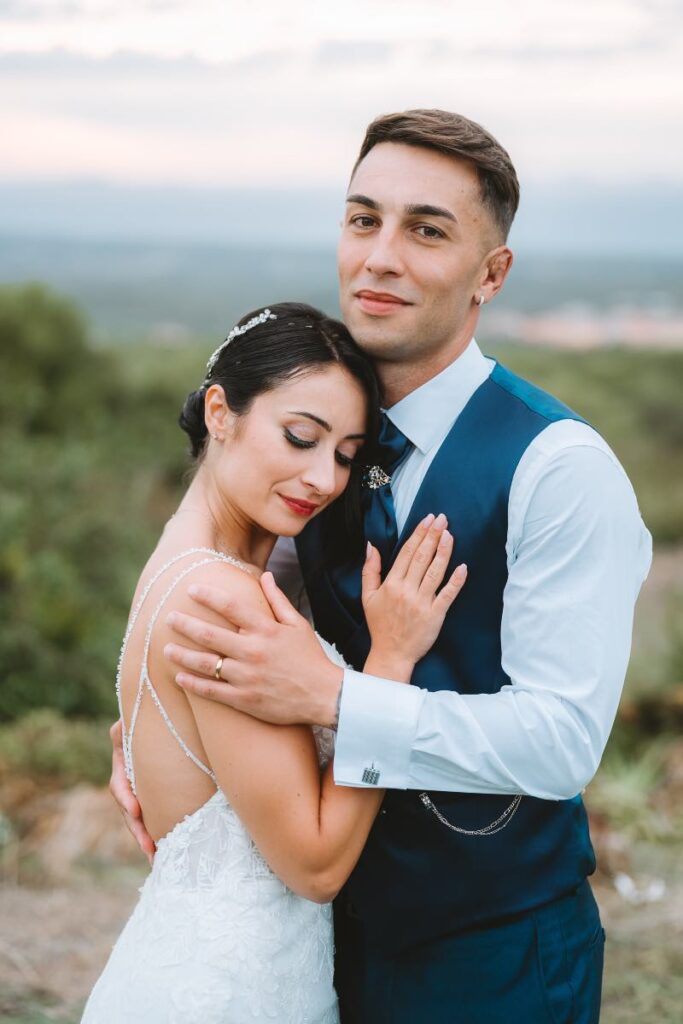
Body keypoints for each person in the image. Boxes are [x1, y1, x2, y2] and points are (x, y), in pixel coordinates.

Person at [112, 111, 652, 1023]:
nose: (380, 257)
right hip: (318, 946)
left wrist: (337, 700)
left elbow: (561, 743)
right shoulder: (317, 437)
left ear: (492, 274)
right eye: (363, 219)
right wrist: (151, 736)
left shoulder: (560, 467)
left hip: (493, 954)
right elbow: (212, 579)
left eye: (426, 230)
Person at [85, 302, 467, 1023]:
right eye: (300, 437)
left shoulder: (181, 561)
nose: (324, 477)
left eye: (348, 455)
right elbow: (316, 864)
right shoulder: (226, 598)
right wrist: (388, 662)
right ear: (220, 412)